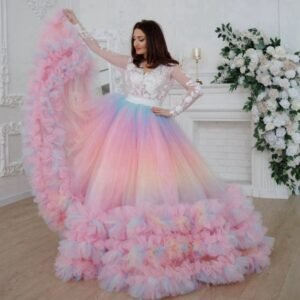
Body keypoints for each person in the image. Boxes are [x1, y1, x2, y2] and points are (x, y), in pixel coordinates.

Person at [23, 9, 274, 300]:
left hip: (154, 128)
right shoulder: (130, 63)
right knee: (114, 182)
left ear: (152, 39)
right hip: (121, 124)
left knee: (156, 183)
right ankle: (113, 243)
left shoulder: (168, 67)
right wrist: (77, 24)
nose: (137, 44)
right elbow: (98, 49)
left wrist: (173, 110)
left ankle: (155, 240)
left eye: (141, 39)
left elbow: (196, 88)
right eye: (134, 39)